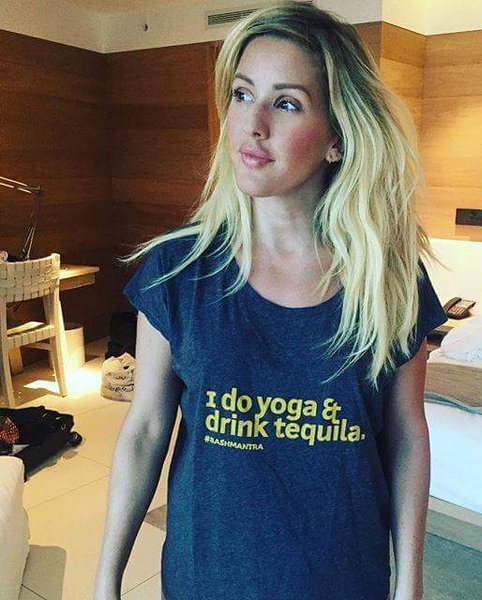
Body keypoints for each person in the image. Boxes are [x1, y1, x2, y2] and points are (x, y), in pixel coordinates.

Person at [94, 1, 447, 599]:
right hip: (207, 581)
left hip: (344, 581)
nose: (252, 124)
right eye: (242, 94)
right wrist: (107, 580)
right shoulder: (177, 271)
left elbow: (406, 433)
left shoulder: (391, 281)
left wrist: (409, 581)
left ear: (337, 138)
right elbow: (147, 428)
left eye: (286, 103)